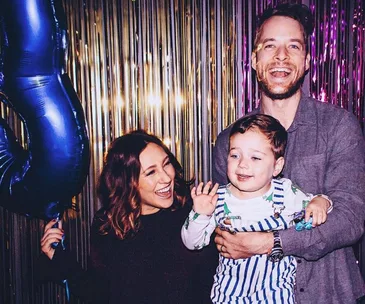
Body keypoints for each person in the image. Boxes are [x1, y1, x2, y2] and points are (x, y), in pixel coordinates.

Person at [212, 3, 365, 304]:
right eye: (270, 46)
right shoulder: (227, 142)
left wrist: (270, 242)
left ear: (306, 61)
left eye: (292, 46)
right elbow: (223, 223)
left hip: (329, 295)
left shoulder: (339, 126)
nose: (281, 56)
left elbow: (350, 218)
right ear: (254, 60)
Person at [38, 130, 215, 303]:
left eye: (166, 163)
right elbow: (98, 293)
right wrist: (59, 259)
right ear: (128, 182)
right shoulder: (107, 224)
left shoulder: (196, 214)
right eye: (151, 172)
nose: (166, 177)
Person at [182, 114, 332, 303]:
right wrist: (200, 214)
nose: (243, 164)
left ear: (277, 166)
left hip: (275, 294)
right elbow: (192, 243)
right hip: (229, 295)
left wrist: (321, 201)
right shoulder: (217, 199)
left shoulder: (286, 192)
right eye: (235, 155)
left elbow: (318, 206)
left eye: (255, 157)